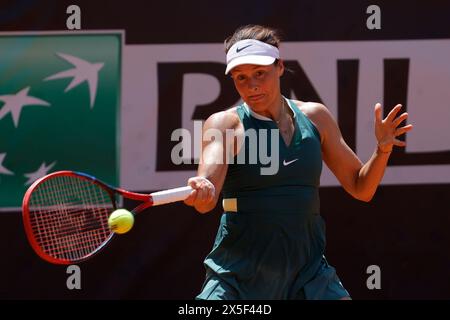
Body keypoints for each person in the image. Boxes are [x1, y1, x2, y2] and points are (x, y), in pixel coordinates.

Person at [184, 25, 413, 300]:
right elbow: (206, 195)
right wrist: (203, 188)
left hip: (308, 273)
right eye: (241, 77)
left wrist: (383, 149)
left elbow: (361, 188)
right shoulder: (224, 124)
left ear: (279, 67)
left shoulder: (316, 117)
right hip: (238, 275)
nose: (252, 85)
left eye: (260, 73)